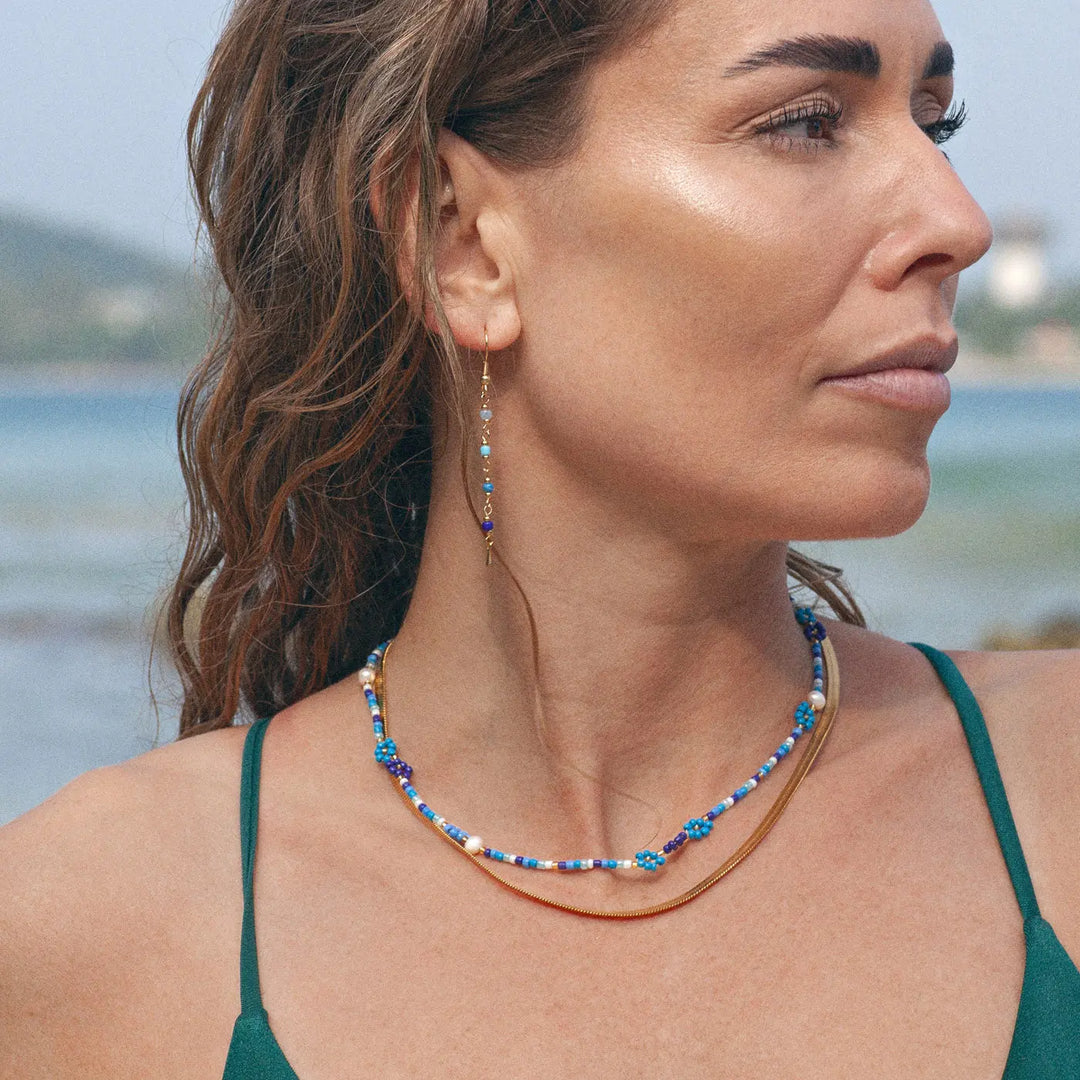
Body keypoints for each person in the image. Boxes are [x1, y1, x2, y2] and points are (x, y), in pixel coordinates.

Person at [2, 0, 1078, 1075]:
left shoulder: (1056, 796)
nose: (959, 220)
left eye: (933, 121)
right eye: (806, 122)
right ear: (460, 241)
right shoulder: (91, 932)